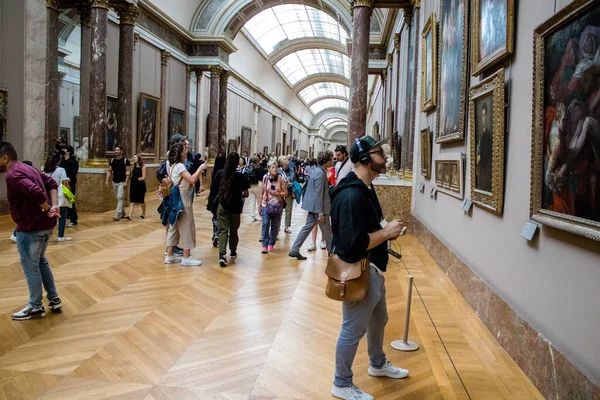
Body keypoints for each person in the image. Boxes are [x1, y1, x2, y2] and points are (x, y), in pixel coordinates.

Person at [330, 136, 409, 400]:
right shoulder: (352, 194)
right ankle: (341, 383)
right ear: (365, 159)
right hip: (358, 272)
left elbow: (371, 225)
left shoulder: (365, 188)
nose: (385, 157)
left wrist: (388, 231)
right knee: (352, 330)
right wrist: (385, 234)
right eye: (379, 153)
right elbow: (353, 245)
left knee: (379, 319)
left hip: (372, 270)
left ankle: (377, 364)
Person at [1, 142, 63, 320]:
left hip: (31, 228)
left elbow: (37, 193)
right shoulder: (28, 168)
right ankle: (54, 298)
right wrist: (54, 206)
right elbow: (51, 183)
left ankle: (35, 306)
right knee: (41, 262)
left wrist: (46, 208)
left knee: (30, 267)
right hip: (45, 226)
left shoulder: (13, 174)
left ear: (5, 158)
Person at [164, 142, 207, 266]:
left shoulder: (172, 166)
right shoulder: (180, 167)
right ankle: (186, 257)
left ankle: (170, 255)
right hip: (182, 197)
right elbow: (192, 179)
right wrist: (200, 168)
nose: (187, 150)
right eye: (185, 148)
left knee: (174, 225)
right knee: (186, 225)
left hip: (175, 196)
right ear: (180, 152)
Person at [288, 150, 333, 260]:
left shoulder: (317, 171)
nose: (332, 161)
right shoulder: (320, 173)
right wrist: (321, 212)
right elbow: (318, 194)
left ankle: (294, 249)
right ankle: (333, 254)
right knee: (327, 232)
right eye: (330, 159)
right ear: (325, 160)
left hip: (314, 207)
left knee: (307, 228)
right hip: (319, 208)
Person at [213, 152, 250, 266]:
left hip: (222, 205)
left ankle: (222, 255)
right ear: (237, 162)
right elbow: (246, 194)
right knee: (234, 230)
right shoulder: (240, 176)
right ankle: (233, 250)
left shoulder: (219, 174)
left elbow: (213, 190)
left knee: (222, 230)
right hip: (235, 207)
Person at [43, 153, 72, 242]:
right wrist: (69, 192)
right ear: (58, 161)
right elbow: (65, 183)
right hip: (58, 194)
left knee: (48, 215)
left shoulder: (44, 170)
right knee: (62, 215)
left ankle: (44, 235)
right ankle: (60, 236)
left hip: (48, 195)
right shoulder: (61, 170)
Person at [260, 160, 287, 253]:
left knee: (275, 226)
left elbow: (286, 193)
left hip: (277, 206)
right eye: (272, 168)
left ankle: (271, 243)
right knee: (265, 224)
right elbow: (262, 191)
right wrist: (260, 205)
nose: (274, 169)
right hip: (266, 204)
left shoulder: (281, 179)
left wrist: (277, 193)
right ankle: (264, 244)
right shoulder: (265, 178)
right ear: (269, 169)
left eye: (276, 168)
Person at [105, 145, 130, 221]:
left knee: (120, 197)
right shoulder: (112, 160)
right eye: (115, 150)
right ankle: (122, 212)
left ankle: (117, 214)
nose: (116, 151)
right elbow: (109, 171)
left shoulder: (125, 161)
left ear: (121, 151)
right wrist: (106, 180)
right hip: (114, 181)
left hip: (122, 182)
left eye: (118, 150)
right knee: (118, 198)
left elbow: (128, 172)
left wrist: (126, 182)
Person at [207, 152, 227, 247]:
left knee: (215, 216)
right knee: (223, 218)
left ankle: (215, 234)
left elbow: (212, 185)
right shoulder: (226, 172)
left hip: (214, 196)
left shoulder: (214, 171)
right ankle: (220, 234)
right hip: (224, 197)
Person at [476, 102, 493, 192]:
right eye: (482, 116)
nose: (483, 118)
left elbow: (487, 158)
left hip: (484, 171)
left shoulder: (487, 135)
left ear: (486, 116)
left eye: (484, 115)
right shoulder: (480, 135)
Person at [61, 145, 79, 227]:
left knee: (70, 200)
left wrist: (68, 179)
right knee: (63, 201)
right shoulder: (62, 161)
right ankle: (66, 216)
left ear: (68, 151)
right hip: (61, 183)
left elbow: (74, 173)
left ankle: (74, 219)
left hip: (69, 184)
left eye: (64, 149)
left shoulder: (74, 161)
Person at [278, 155, 296, 234]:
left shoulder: (291, 169)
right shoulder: (278, 170)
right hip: (280, 191)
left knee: (289, 209)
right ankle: (277, 226)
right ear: (281, 162)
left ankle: (286, 226)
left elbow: (293, 179)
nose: (287, 160)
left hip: (289, 190)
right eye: (285, 159)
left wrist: (291, 188)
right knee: (278, 209)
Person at [126, 154, 147, 219]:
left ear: (139, 159)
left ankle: (143, 213)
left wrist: (135, 179)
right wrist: (128, 175)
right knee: (132, 200)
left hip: (140, 186)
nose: (134, 158)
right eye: (134, 157)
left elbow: (143, 177)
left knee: (141, 200)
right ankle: (130, 215)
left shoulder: (143, 167)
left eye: (135, 157)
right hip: (133, 185)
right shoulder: (133, 167)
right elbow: (131, 176)